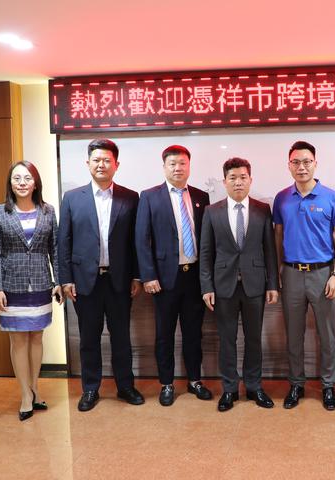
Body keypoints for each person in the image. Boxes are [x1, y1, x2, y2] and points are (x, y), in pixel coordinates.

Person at [58, 139, 144, 412]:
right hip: (85, 281)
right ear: (88, 164)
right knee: (89, 338)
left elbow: (136, 241)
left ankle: (125, 386)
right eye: (96, 160)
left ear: (116, 165)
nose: (101, 165)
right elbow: (64, 241)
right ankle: (90, 389)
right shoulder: (72, 198)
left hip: (119, 280)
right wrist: (65, 279)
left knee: (121, 337)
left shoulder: (130, 197)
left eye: (107, 160)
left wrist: (137, 276)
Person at [273, 140, 335, 411]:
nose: (301, 167)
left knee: (327, 335)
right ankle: (296, 384)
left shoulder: (332, 197)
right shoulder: (282, 198)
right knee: (293, 335)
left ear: (315, 164)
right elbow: (278, 236)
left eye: (306, 162)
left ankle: (328, 386)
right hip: (292, 274)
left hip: (323, 273)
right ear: (289, 165)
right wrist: (278, 271)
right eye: (296, 162)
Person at [199, 157, 279, 412]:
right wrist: (206, 287)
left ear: (250, 180)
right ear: (224, 182)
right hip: (223, 286)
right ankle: (230, 389)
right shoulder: (212, 211)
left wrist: (273, 284)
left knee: (254, 339)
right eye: (232, 178)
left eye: (243, 177)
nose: (238, 182)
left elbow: (270, 250)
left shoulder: (262, 210)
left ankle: (254, 387)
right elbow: (206, 252)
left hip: (255, 285)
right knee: (227, 339)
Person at [136, 145, 212, 406]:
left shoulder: (201, 196)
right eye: (172, 164)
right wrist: (148, 276)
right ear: (164, 167)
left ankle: (195, 380)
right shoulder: (150, 196)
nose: (178, 168)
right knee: (164, 334)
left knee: (194, 333)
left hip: (194, 278)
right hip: (164, 279)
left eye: (182, 163)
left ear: (189, 166)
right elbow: (142, 239)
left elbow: (206, 240)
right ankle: (166, 383)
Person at [0, 161, 62, 421]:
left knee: (37, 338)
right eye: (17, 178)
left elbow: (55, 249)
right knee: (18, 340)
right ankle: (24, 395)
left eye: (27, 178)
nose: (22, 183)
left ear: (35, 182)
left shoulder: (48, 211)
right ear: (10, 183)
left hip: (41, 283)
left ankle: (35, 388)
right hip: (11, 286)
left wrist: (58, 281)